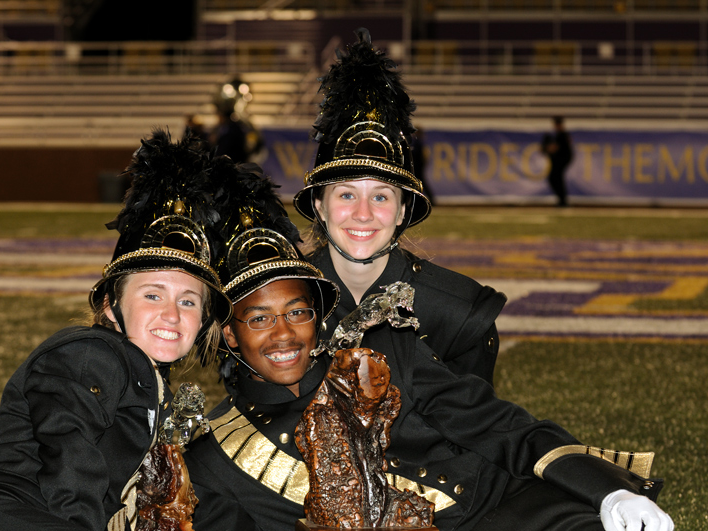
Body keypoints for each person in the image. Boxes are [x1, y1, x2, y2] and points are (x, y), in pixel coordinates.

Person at [182, 154, 673, 531]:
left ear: (319, 317)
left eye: (298, 312)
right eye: (259, 319)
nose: (285, 333)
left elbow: (504, 428)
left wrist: (610, 494)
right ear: (229, 333)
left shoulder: (383, 353)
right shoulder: (213, 456)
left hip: (505, 509)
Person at [0, 129, 234, 531]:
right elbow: (68, 447)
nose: (172, 314)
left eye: (188, 301)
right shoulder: (92, 353)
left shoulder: (153, 384)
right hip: (2, 512)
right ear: (111, 306)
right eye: (152, 295)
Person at [292, 28, 505, 387]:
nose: (363, 213)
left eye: (381, 196)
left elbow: (476, 433)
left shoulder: (458, 313)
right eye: (346, 194)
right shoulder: (276, 303)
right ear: (319, 206)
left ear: (403, 210)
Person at [541, 115, 573, 207]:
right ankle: (562, 200)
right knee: (556, 178)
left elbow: (554, 148)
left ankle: (562, 201)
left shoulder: (562, 135)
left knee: (555, 178)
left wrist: (545, 148)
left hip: (561, 160)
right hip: (560, 160)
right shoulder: (561, 134)